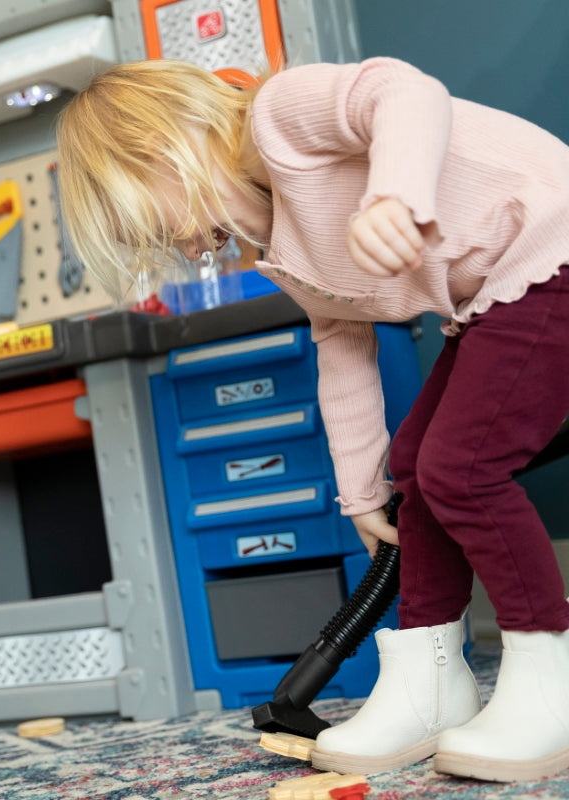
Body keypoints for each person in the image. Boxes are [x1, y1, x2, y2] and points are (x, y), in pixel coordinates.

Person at [56, 56, 569, 782]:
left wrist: (392, 198)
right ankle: (430, 683)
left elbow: (406, 92)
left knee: (461, 468)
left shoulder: (279, 114)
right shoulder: (280, 245)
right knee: (416, 468)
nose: (167, 247)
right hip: (498, 293)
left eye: (147, 220)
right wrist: (361, 493)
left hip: (551, 245)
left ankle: (552, 677)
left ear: (159, 149)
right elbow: (341, 344)